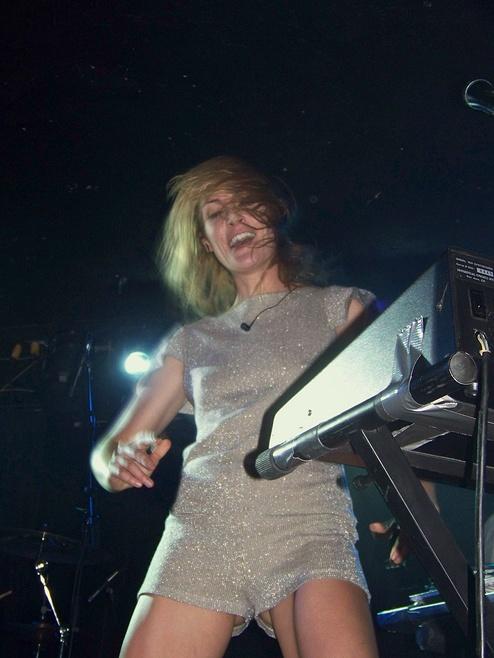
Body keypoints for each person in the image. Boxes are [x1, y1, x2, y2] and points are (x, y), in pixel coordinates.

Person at [90, 156, 379, 658]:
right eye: (216, 214)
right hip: (205, 526)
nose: (233, 220)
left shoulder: (339, 307)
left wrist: (414, 509)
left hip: (306, 519)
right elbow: (109, 453)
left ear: (273, 213)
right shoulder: (191, 340)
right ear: (207, 242)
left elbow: (399, 414)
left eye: (245, 205)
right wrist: (120, 462)